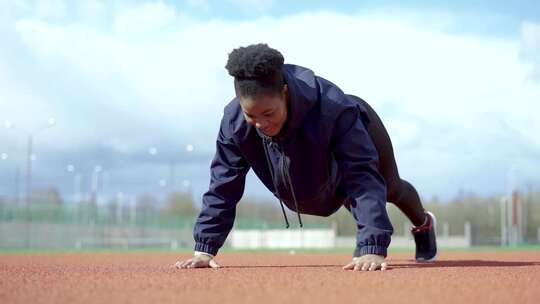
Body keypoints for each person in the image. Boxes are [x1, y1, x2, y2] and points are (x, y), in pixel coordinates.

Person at [175, 43, 437, 271]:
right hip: (311, 168)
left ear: (285, 93)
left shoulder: (334, 110)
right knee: (340, 192)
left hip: (360, 129)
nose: (260, 123)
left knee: (388, 188)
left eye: (268, 113)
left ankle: (423, 224)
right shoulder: (235, 125)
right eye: (251, 115)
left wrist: (372, 246)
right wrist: (204, 248)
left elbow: (361, 176)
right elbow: (223, 184)